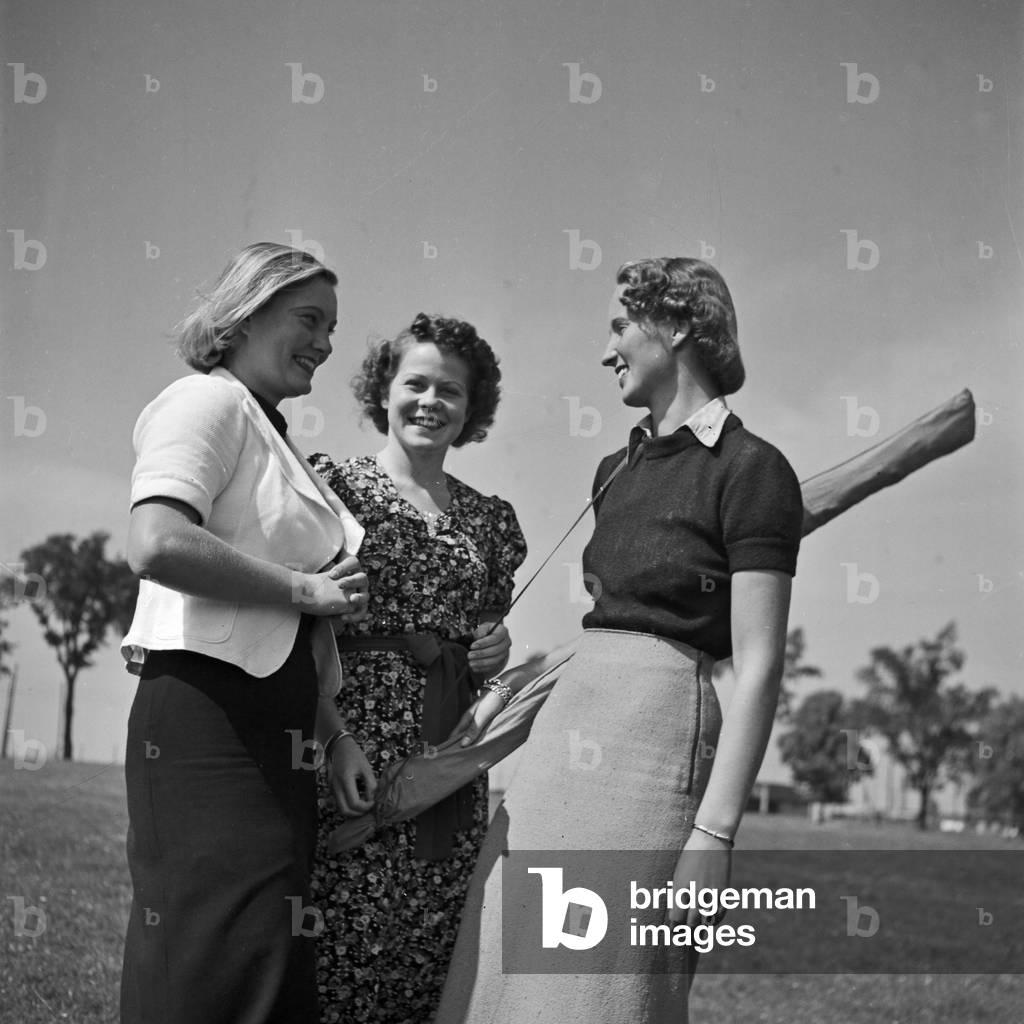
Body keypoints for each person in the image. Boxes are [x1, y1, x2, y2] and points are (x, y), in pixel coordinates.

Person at [435, 257, 804, 1023]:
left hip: (653, 753)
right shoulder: (614, 468)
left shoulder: (753, 469)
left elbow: (761, 662)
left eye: (619, 327)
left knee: (601, 987)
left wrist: (714, 834)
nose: (607, 351)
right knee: (502, 968)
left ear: (675, 325)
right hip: (562, 752)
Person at [120, 242, 372, 1024]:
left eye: (332, 327)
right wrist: (308, 586)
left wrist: (332, 739)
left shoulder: (275, 435)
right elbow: (157, 542)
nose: (325, 343)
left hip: (278, 732)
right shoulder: (207, 404)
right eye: (308, 319)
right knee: (208, 957)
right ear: (247, 313)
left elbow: (282, 626)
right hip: (207, 725)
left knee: (261, 962)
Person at [308, 312, 527, 1024]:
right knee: (339, 939)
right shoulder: (334, 487)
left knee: (431, 950)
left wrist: (494, 644)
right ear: (385, 390)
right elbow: (299, 627)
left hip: (451, 753)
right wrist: (333, 734)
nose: (431, 402)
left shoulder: (492, 521)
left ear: (472, 409)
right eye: (417, 383)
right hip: (353, 738)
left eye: (451, 392)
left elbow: (485, 628)